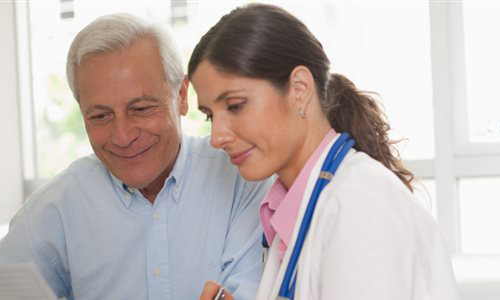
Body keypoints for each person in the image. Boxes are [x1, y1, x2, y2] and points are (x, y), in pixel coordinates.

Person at [0, 13, 271, 300]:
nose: (122, 136)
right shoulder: (56, 207)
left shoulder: (241, 180)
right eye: (99, 116)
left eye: (140, 109)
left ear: (180, 96)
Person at [190, 4, 459, 300]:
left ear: (300, 89)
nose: (217, 137)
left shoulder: (358, 205)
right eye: (210, 115)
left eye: (235, 105)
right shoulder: (298, 207)